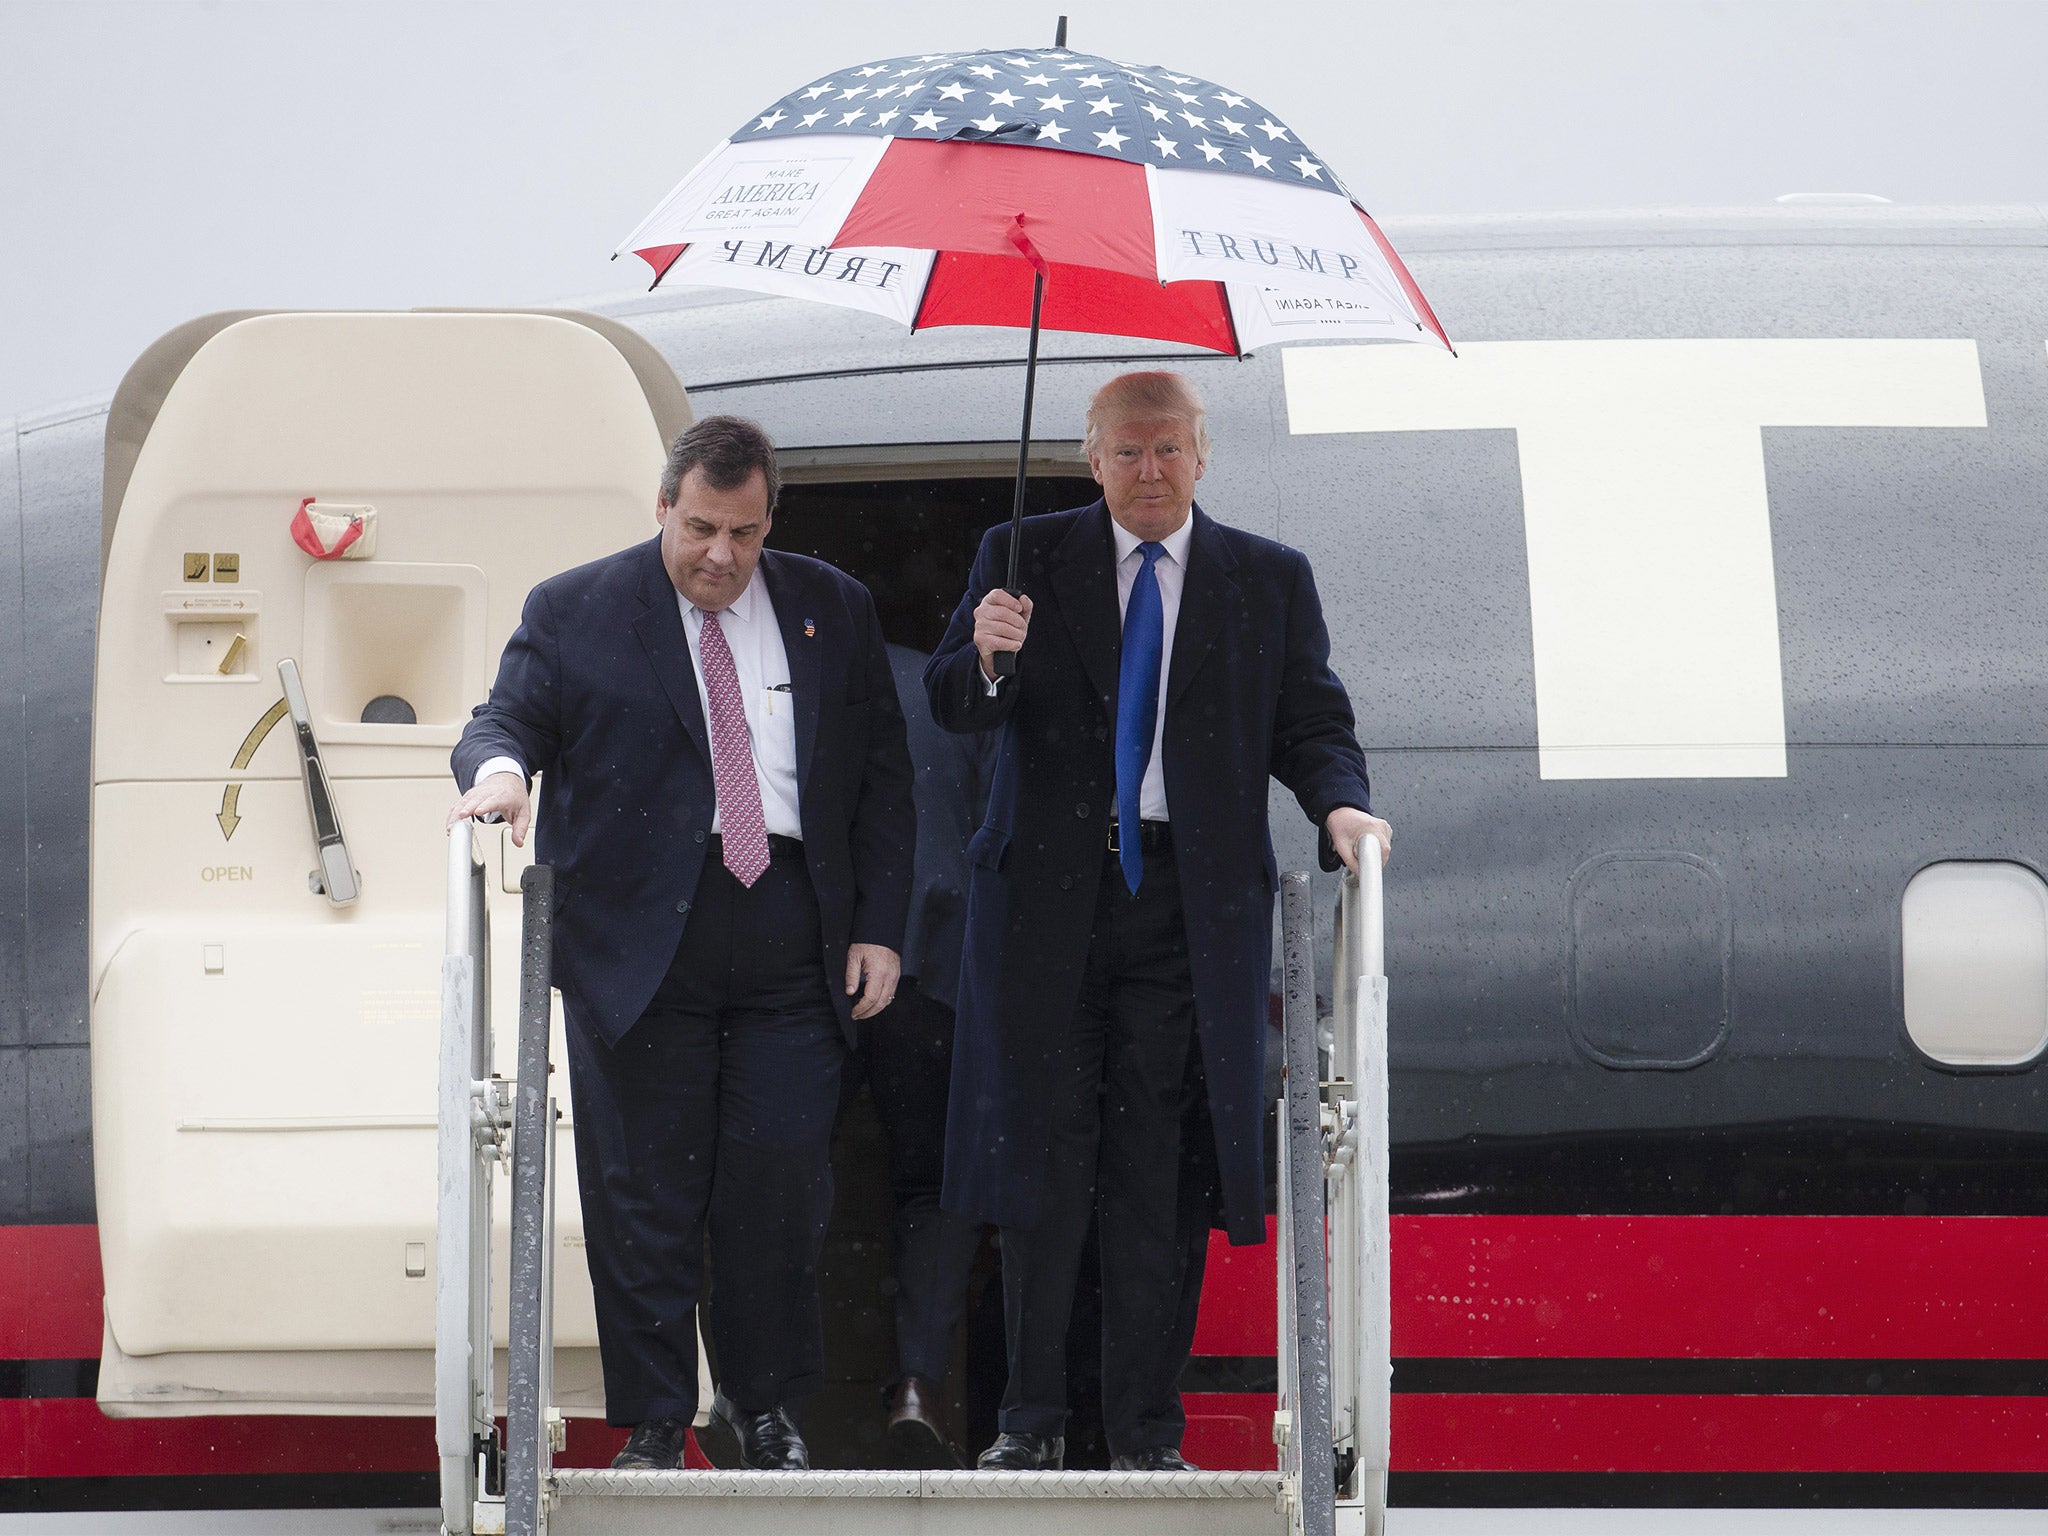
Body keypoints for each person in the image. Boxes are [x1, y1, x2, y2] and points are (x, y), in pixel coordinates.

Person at [925, 371, 1391, 1473]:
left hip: (1186, 909)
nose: (1147, 471)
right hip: (1048, 907)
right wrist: (986, 655)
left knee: (1157, 1175)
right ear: (1089, 458)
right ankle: (1028, 1424)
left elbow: (1310, 719)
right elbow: (950, 703)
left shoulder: (1267, 580)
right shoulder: (1016, 556)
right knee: (1042, 1165)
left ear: (1202, 456)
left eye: (1167, 450)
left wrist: (1338, 804)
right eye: (1125, 452)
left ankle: (1144, 1434)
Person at [449, 415, 914, 1472]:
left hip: (792, 930)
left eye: (743, 534)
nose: (720, 555)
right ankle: (656, 1421)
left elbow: (883, 776)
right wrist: (499, 777)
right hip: (634, 941)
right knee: (643, 1192)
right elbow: (504, 719)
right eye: (701, 527)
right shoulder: (576, 609)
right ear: (663, 506)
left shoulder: (828, 608)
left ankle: (766, 1410)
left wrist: (880, 926)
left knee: (780, 1187)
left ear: (767, 521)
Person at [840, 642, 994, 1466]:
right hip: (932, 962)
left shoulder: (806, 665)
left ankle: (757, 1392)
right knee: (935, 1184)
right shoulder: (959, 690)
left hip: (809, 964)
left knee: (775, 1174)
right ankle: (918, 1383)